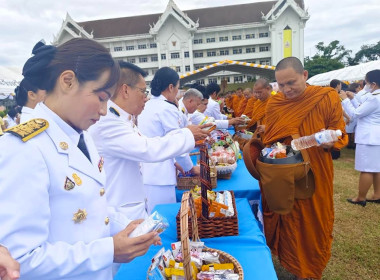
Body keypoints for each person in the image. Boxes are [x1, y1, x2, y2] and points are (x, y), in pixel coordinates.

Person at [0, 38, 160, 280]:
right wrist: (109, 250)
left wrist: (128, 227)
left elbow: (89, 208)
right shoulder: (25, 148)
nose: (105, 110)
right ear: (68, 81)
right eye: (102, 97)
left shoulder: (80, 137)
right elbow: (21, 260)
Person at [261, 57, 347, 279]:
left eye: (291, 83)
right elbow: (269, 138)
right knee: (289, 217)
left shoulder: (326, 97)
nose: (286, 90)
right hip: (286, 170)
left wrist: (332, 141)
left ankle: (309, 268)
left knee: (314, 221)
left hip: (317, 170)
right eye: (281, 85)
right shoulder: (275, 103)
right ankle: (292, 263)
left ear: (305, 75)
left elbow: (339, 131)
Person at [89, 61, 208, 219]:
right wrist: (187, 135)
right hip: (120, 212)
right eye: (143, 91)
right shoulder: (109, 122)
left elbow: (148, 142)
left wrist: (176, 160)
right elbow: (147, 148)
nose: (146, 98)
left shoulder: (123, 119)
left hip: (132, 203)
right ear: (125, 90)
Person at [138, 67, 205, 212]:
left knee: (151, 215)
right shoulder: (167, 109)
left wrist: (176, 163)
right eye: (177, 88)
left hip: (146, 172)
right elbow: (177, 144)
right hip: (160, 174)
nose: (177, 93)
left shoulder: (148, 105)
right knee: (163, 218)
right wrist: (190, 168)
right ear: (170, 87)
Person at [340, 70, 380, 205]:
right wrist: (354, 98)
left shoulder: (374, 98)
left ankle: (360, 198)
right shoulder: (376, 96)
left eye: (366, 83)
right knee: (376, 168)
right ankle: (377, 194)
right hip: (375, 136)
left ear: (373, 84)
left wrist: (345, 100)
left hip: (368, 137)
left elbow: (356, 113)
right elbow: (364, 104)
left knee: (366, 169)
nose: (365, 85)